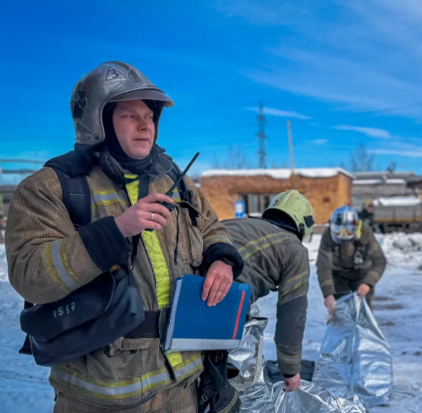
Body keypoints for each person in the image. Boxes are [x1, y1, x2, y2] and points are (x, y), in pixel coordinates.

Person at [5, 61, 244, 413]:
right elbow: (30, 275)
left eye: (149, 115)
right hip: (103, 395)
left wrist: (221, 259)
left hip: (184, 387)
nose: (145, 125)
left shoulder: (173, 179)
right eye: (129, 115)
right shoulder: (50, 187)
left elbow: (210, 227)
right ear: (97, 121)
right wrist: (113, 233)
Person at [223, 190, 314, 393]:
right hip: (218, 301)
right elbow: (292, 313)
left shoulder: (241, 225)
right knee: (231, 386)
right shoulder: (294, 249)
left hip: (175, 290)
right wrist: (290, 370)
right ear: (303, 225)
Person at [317, 205, 386, 312]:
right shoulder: (327, 235)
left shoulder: (365, 233)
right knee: (339, 309)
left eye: (348, 233)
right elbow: (323, 265)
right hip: (338, 274)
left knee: (363, 309)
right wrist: (328, 293)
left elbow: (380, 261)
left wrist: (368, 283)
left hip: (361, 274)